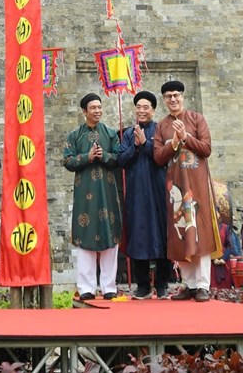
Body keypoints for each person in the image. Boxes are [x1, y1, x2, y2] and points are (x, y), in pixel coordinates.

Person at [152, 79, 219, 301]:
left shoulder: (197, 119)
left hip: (197, 184)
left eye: (176, 95)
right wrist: (173, 143)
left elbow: (206, 149)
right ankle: (188, 284)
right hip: (175, 186)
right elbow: (158, 157)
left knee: (200, 232)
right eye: (168, 96)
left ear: (183, 97)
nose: (173, 99)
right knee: (179, 232)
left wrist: (186, 138)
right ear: (164, 100)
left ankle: (203, 285)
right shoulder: (161, 126)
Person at [63, 91, 122, 301]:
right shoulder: (74, 136)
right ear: (84, 111)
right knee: (85, 236)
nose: (97, 111)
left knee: (110, 236)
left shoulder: (111, 133)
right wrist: (86, 157)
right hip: (84, 194)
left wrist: (103, 155)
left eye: (99, 107)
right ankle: (86, 287)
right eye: (93, 108)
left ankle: (109, 287)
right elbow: (67, 161)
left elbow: (119, 158)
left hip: (107, 193)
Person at [116, 90, 171, 299]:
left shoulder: (161, 130)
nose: (141, 110)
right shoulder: (129, 134)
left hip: (158, 190)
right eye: (138, 107)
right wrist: (136, 147)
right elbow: (121, 160)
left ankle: (162, 283)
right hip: (136, 192)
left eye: (146, 107)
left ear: (153, 110)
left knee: (162, 235)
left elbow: (164, 157)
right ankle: (143, 285)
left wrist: (146, 144)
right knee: (138, 236)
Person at [211, 212, 240, 290]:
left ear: (219, 214)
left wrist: (223, 258)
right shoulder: (208, 228)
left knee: (226, 285)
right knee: (213, 285)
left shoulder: (225, 227)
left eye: (216, 212)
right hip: (212, 259)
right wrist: (214, 258)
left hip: (225, 258)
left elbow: (229, 245)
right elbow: (207, 244)